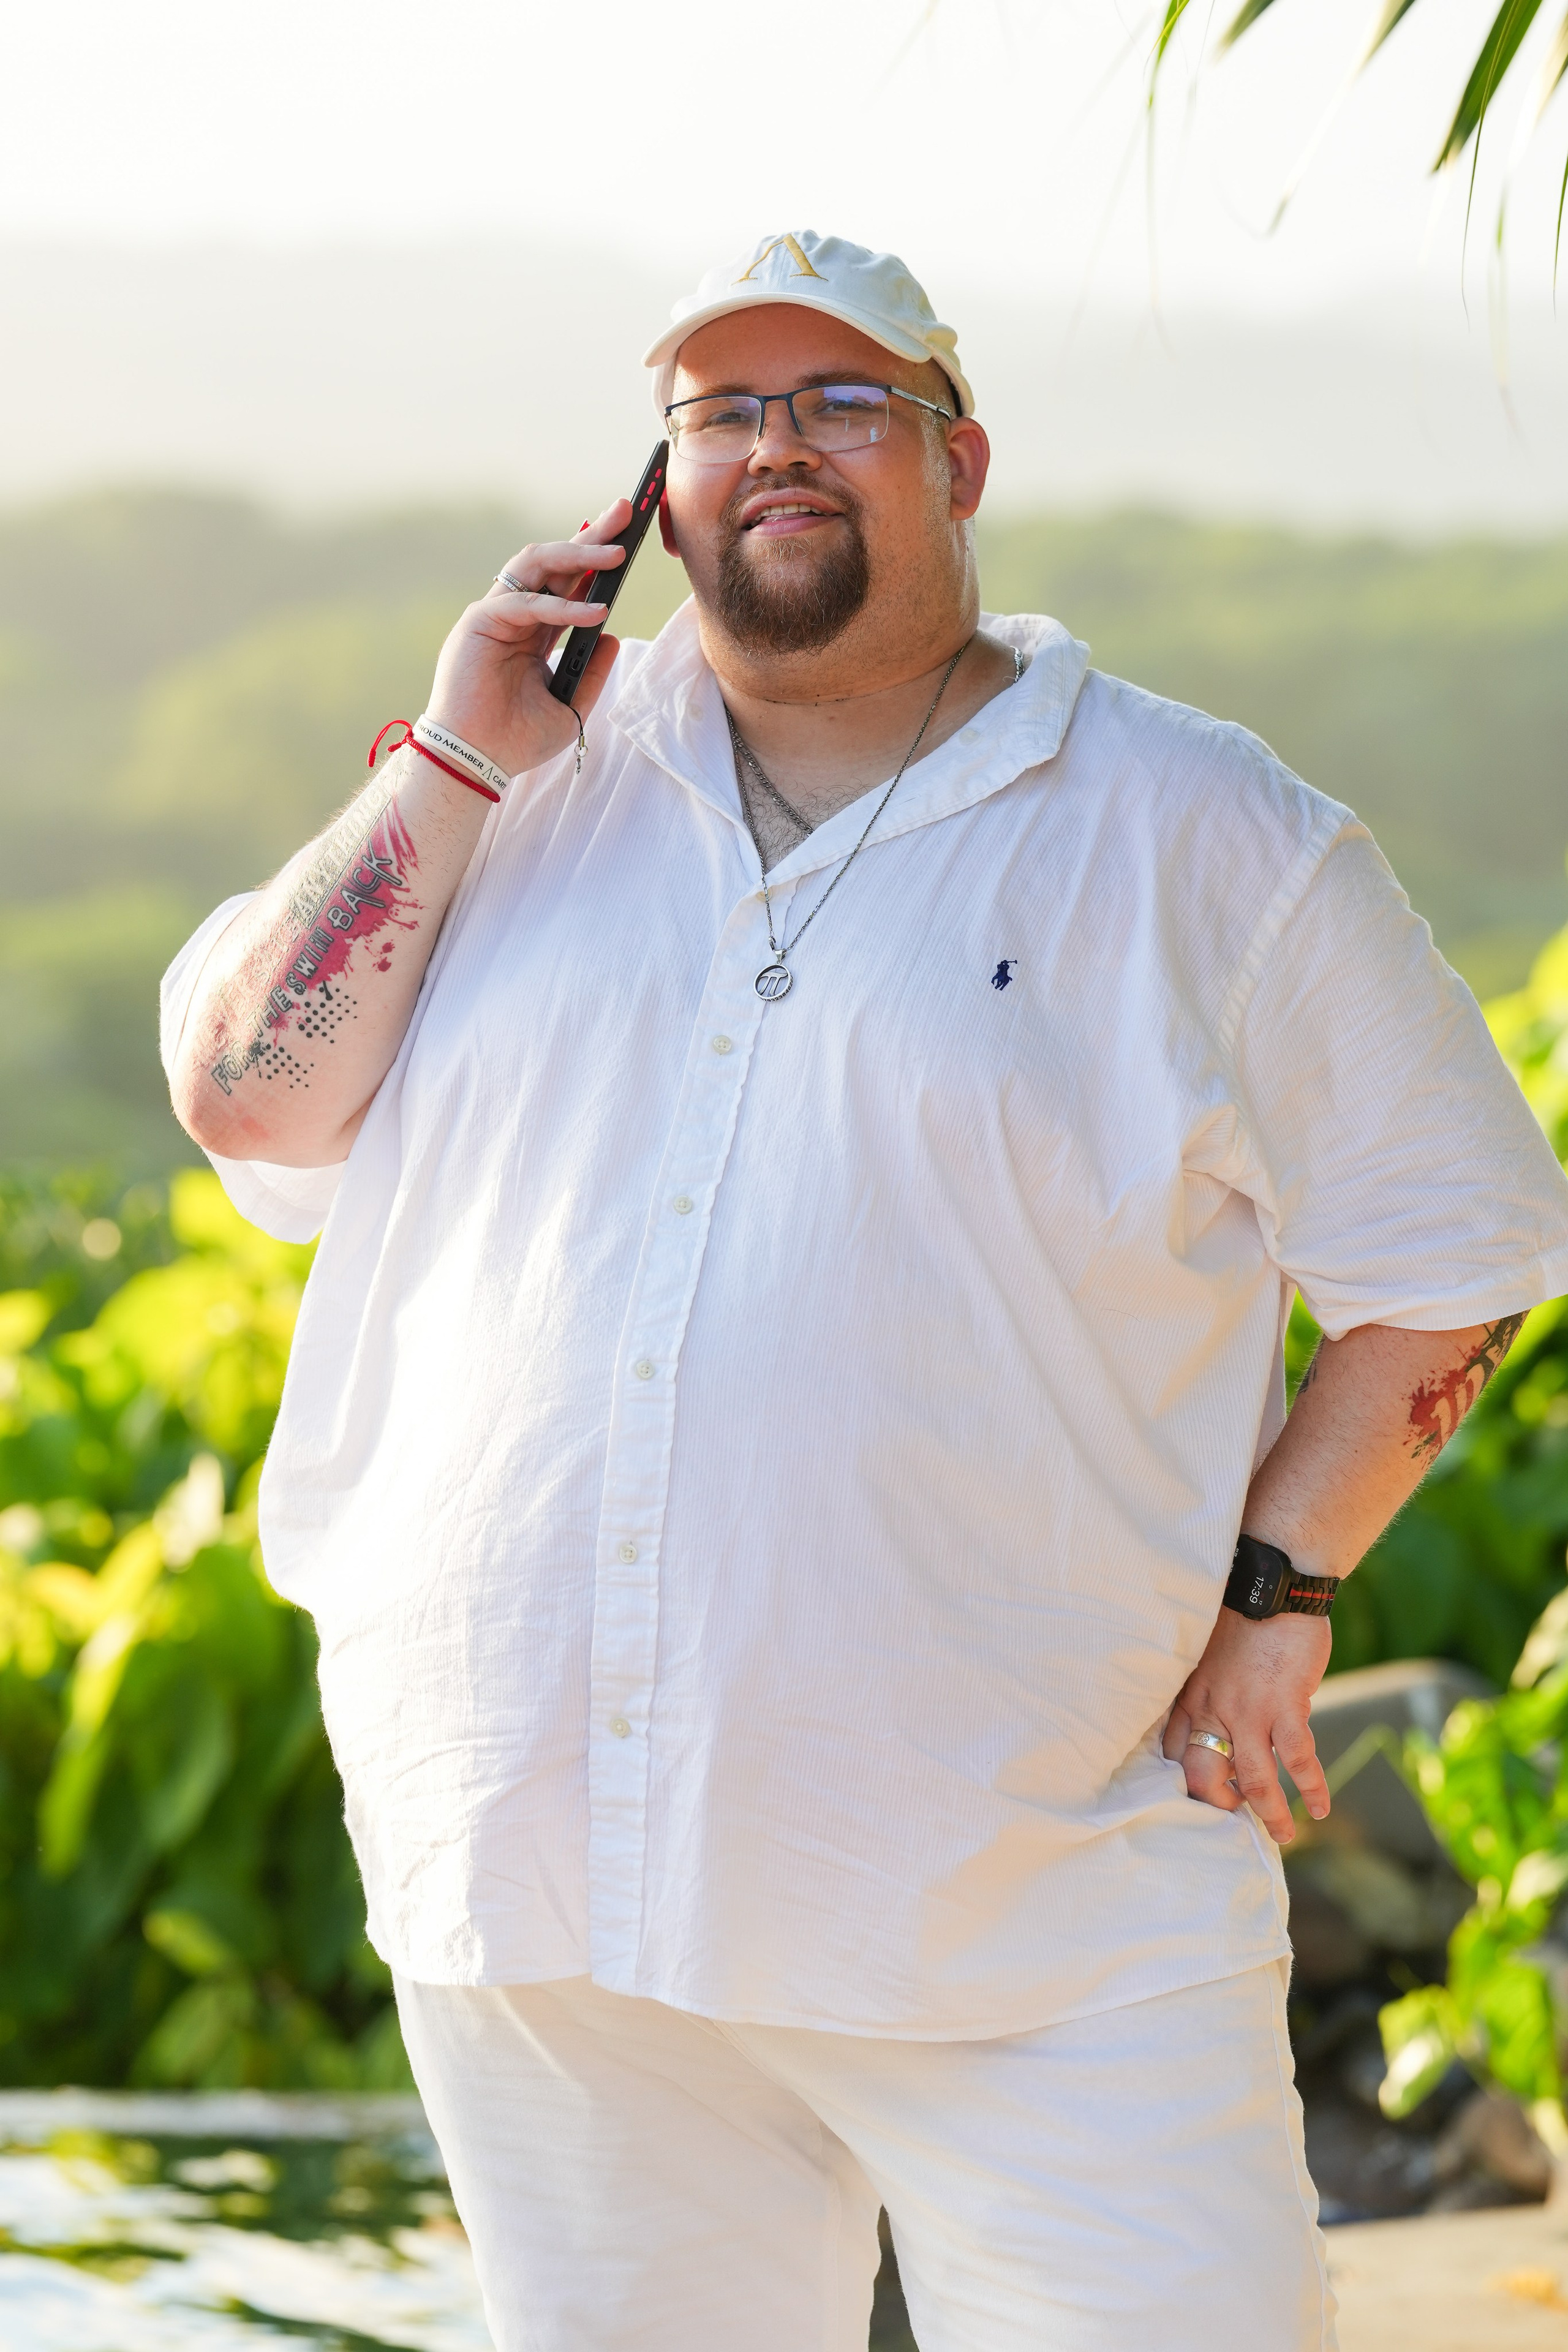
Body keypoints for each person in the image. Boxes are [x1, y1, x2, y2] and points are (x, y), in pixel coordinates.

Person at [162, 228, 1568, 2352]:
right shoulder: (497, 803)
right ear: (652, 491)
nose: (775, 449)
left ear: (958, 459)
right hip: (544, 1912)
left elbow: (1459, 1249)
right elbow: (250, 1105)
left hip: (1031, 1907)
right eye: (720, 413)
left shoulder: (1202, 831)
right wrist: (450, 756)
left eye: (840, 403)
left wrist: (1281, 1604)